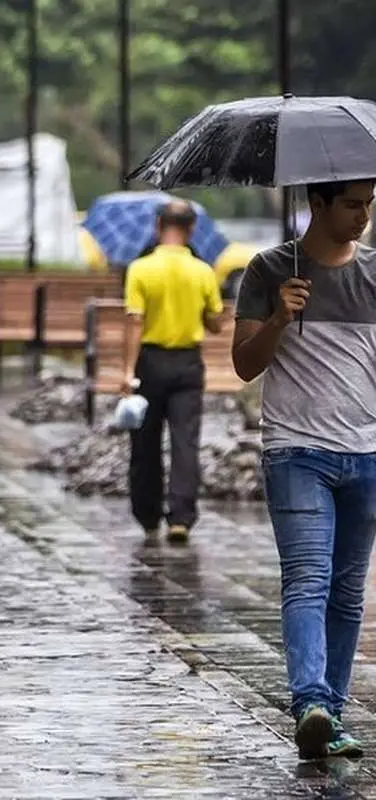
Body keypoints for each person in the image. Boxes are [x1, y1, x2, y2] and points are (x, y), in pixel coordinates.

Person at [232, 179, 376, 761]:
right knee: (309, 579)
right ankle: (311, 702)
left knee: (347, 594)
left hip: (367, 452)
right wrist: (278, 320)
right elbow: (244, 366)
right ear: (316, 205)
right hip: (297, 452)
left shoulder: (374, 272)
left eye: (369, 203)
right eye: (351, 204)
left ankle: (330, 719)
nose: (363, 215)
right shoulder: (268, 271)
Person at [120, 199, 225, 543]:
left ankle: (148, 514)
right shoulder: (203, 271)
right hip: (188, 364)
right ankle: (180, 517)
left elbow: (135, 322)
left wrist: (126, 371)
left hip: (149, 362)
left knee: (146, 441)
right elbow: (214, 323)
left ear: (158, 226)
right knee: (185, 441)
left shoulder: (140, 269)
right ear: (191, 229)